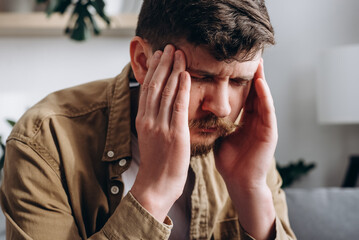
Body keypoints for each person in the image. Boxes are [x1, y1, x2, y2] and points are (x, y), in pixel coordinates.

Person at [0, 0, 296, 239]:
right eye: (200, 77)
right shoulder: (45, 138)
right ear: (142, 61)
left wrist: (251, 189)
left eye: (238, 82)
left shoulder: (242, 135)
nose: (221, 107)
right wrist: (154, 191)